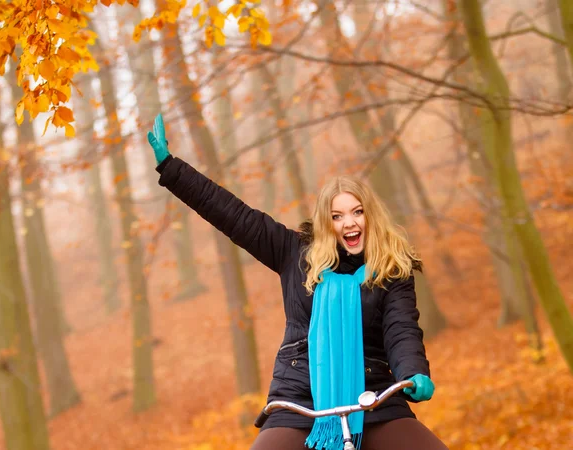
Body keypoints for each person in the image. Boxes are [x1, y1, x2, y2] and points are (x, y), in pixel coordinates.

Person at [148, 114, 448, 450]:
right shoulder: (295, 254)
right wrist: (171, 169)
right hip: (299, 400)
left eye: (357, 212)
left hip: (373, 395)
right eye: (337, 216)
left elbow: (401, 328)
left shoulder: (392, 268)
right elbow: (232, 214)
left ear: (370, 216)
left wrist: (413, 371)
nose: (349, 223)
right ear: (325, 222)